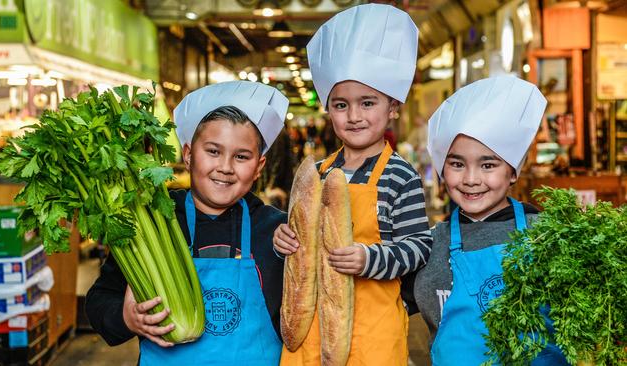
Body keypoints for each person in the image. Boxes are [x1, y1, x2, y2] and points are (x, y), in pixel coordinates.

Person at [85, 81, 289, 365]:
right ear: (189, 154)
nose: (226, 167)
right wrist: (126, 318)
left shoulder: (276, 230)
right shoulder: (154, 222)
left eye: (241, 157)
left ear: (259, 167)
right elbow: (100, 298)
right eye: (213, 152)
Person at [273, 4, 432, 365]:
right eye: (341, 105)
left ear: (392, 107)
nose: (355, 116)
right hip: (312, 332)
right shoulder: (316, 174)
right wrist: (285, 241)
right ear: (328, 109)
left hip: (373, 335)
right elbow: (303, 251)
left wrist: (369, 258)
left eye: (368, 103)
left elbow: (419, 247)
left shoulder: (400, 175)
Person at [412, 75, 569, 365]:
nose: (471, 179)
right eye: (457, 164)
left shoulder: (547, 235)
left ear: (513, 171)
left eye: (488, 165)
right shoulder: (429, 245)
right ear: (442, 170)